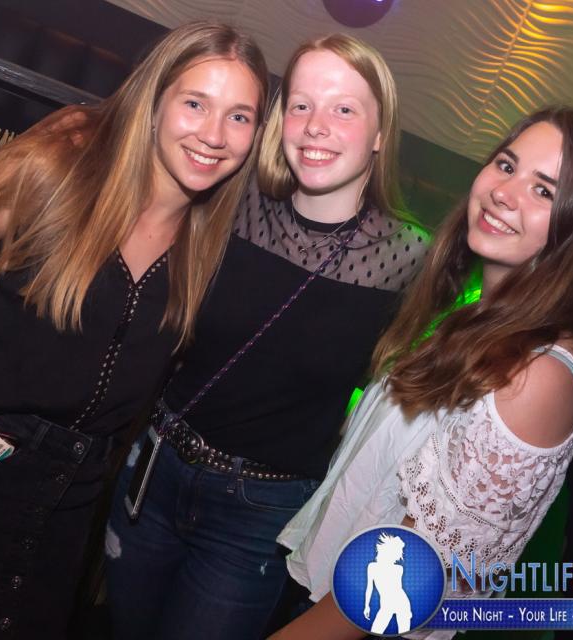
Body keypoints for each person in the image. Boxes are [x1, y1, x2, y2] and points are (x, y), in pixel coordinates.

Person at [0, 21, 268, 640]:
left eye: (239, 117)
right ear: (154, 100)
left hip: (70, 508)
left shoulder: (211, 247)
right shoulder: (54, 171)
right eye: (195, 103)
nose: (214, 135)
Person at [105, 34, 430, 640]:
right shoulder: (234, 199)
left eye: (344, 108)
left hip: (258, 514)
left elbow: (408, 401)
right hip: (156, 468)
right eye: (301, 105)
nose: (316, 126)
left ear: (381, 133)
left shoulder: (409, 258)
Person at [270, 106, 573, 640]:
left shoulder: (538, 375)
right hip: (324, 591)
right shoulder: (472, 313)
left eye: (544, 191)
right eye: (506, 165)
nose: (505, 193)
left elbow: (414, 571)